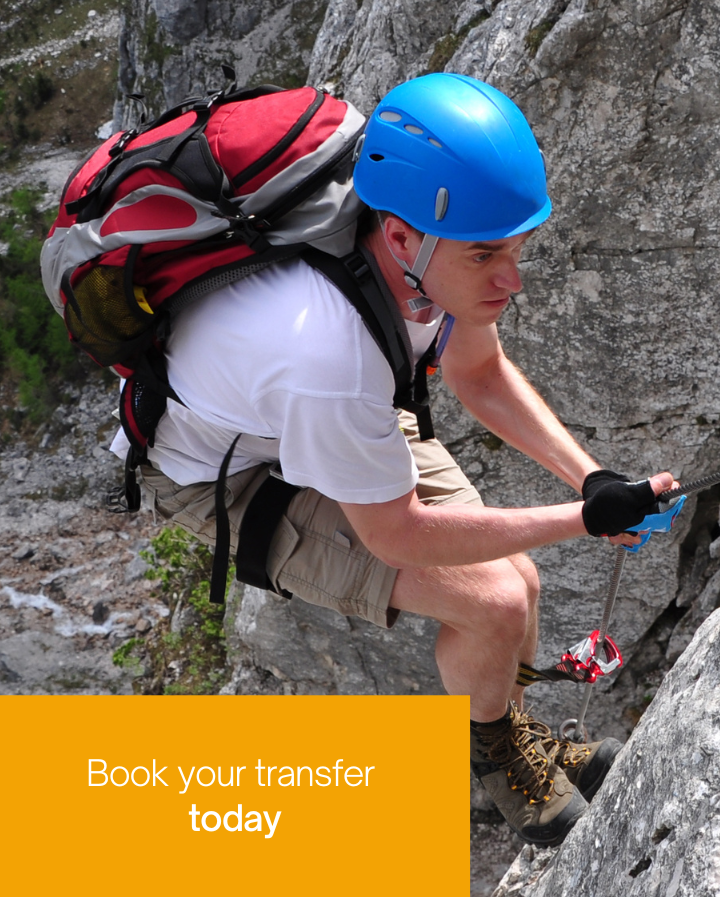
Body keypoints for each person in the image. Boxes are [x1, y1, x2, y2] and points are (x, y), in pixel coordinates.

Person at [119, 72, 674, 846]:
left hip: (312, 417)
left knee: (521, 578)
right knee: (495, 603)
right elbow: (398, 537)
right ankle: (492, 765)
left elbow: (478, 373)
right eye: (488, 257)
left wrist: (590, 479)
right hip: (232, 478)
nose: (511, 280)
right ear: (404, 236)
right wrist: (583, 519)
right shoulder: (328, 350)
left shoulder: (421, 250)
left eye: (516, 250)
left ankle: (496, 744)